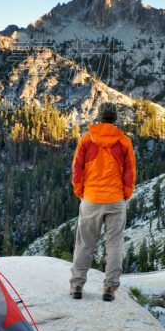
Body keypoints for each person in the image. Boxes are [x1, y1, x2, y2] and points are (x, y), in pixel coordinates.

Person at [70, 101, 136, 302]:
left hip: (91, 198)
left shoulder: (87, 139)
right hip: (115, 199)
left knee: (84, 244)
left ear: (99, 117)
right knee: (114, 245)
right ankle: (109, 288)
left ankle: (77, 287)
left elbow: (77, 169)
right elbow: (130, 172)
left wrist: (81, 192)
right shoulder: (124, 141)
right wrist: (125, 195)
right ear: (115, 118)